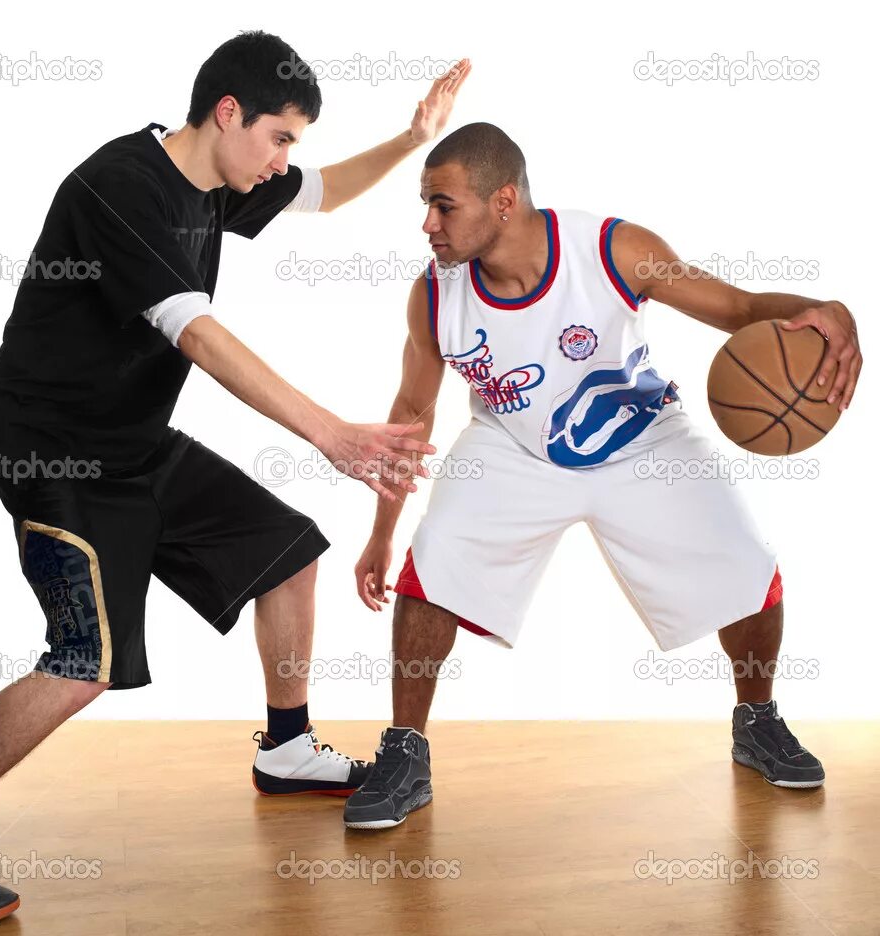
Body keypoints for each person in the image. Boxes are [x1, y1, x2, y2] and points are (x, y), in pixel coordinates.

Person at [0, 32, 470, 925]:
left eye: (291, 145)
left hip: (135, 439)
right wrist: (330, 434)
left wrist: (410, 140)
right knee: (86, 663)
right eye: (280, 139)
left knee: (288, 552)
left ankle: (288, 747)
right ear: (227, 113)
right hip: (55, 450)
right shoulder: (119, 187)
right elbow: (197, 335)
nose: (284, 161)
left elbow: (330, 190)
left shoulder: (219, 182)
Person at [342, 121, 861, 830]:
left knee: (746, 564)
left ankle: (756, 720)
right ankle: (404, 753)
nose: (427, 223)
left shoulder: (613, 249)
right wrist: (381, 535)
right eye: (426, 205)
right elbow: (410, 416)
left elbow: (736, 309)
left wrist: (829, 311)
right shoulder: (435, 295)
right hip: (511, 447)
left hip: (641, 436)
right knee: (430, 565)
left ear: (502, 202)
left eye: (442, 204)